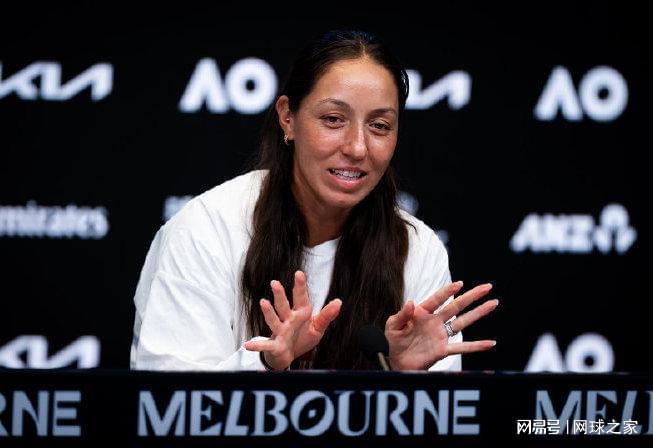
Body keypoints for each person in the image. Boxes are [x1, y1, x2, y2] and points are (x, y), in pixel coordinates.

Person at [130, 30, 498, 372]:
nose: (357, 148)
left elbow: (438, 413)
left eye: (379, 126)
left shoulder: (417, 248)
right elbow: (169, 401)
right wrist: (265, 363)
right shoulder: (207, 229)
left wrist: (399, 379)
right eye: (333, 119)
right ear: (287, 118)